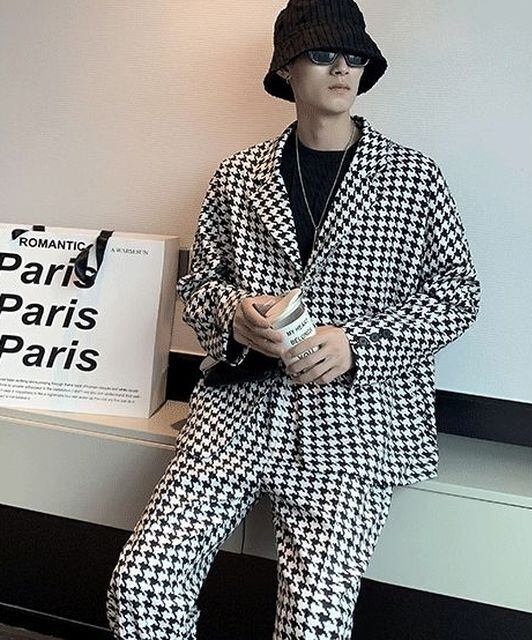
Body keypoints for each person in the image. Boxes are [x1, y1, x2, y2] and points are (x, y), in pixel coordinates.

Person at [105, 0, 481, 638]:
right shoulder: (238, 176)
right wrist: (233, 314)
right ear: (286, 69)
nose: (342, 69)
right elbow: (199, 284)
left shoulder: (413, 178)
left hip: (355, 424)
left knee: (313, 626)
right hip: (239, 411)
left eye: (355, 57)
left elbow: (458, 295)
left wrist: (357, 344)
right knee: (141, 591)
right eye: (323, 54)